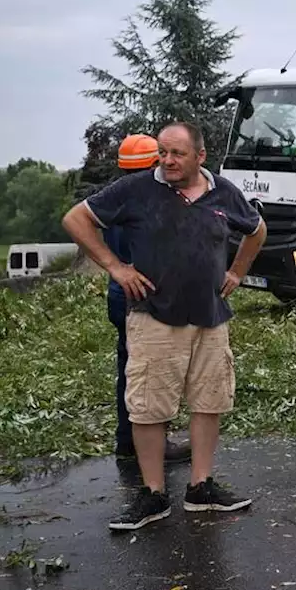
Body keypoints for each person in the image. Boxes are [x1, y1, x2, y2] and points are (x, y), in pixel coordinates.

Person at [62, 121, 267, 531]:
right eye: (163, 152)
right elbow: (76, 220)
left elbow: (257, 230)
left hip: (210, 317)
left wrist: (238, 272)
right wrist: (117, 269)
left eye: (177, 154)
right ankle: (153, 495)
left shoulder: (223, 192)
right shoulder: (136, 189)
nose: (168, 161)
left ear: (200, 156)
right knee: (148, 408)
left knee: (210, 402)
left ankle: (201, 488)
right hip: (153, 316)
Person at [109, 134, 192, 465]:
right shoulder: (149, 204)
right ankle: (152, 446)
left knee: (129, 369)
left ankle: (127, 440)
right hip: (146, 298)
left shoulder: (115, 199)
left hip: (119, 296)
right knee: (153, 373)